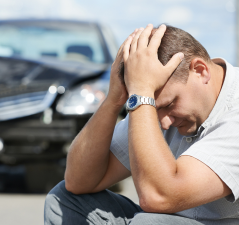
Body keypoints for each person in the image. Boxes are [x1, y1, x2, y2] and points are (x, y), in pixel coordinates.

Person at [44, 24, 239, 224]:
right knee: (63, 201)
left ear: (200, 70)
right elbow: (78, 181)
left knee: (148, 222)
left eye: (170, 104)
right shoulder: (149, 101)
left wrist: (143, 96)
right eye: (154, 109)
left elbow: (157, 197)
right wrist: (113, 100)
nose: (163, 123)